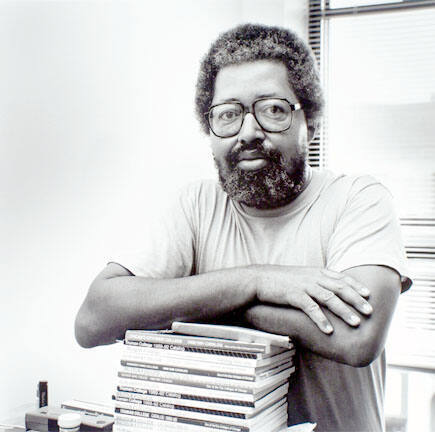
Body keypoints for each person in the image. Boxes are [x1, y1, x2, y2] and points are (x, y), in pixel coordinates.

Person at [75, 24, 411, 431]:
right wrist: (257, 280)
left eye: (272, 109)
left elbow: (357, 339)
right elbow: (93, 321)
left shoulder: (358, 199)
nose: (249, 133)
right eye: (229, 115)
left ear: (310, 120)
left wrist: (223, 307)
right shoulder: (196, 205)